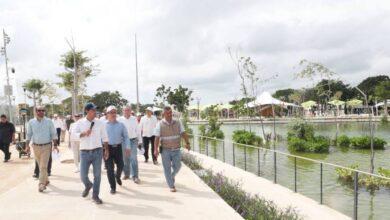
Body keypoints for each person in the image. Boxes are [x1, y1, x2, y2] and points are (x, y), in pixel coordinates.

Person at [73, 103, 108, 204]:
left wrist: (106, 150)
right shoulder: (79, 123)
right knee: (83, 175)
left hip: (98, 151)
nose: (95, 112)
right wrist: (83, 134)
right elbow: (73, 135)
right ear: (87, 111)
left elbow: (105, 136)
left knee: (97, 175)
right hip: (84, 152)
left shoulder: (100, 123)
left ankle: (95, 195)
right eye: (93, 110)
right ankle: (88, 185)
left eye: (95, 110)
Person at [154, 106, 191, 192]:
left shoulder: (178, 122)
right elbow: (157, 137)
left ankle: (172, 175)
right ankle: (171, 185)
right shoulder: (159, 124)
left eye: (171, 113)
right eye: (167, 113)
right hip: (165, 150)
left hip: (176, 149)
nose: (170, 114)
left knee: (178, 166)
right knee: (167, 168)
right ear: (164, 114)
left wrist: (187, 143)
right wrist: (155, 149)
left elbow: (183, 133)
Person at [26, 106, 59, 192]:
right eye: (39, 110)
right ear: (36, 112)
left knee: (43, 166)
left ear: (44, 111)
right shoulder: (31, 122)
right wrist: (27, 145)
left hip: (46, 146)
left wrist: (55, 145)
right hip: (35, 147)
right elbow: (29, 134)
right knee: (41, 166)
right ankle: (46, 180)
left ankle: (41, 183)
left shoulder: (49, 121)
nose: (41, 112)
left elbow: (53, 134)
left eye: (43, 110)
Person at [105, 106, 130, 194]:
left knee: (121, 165)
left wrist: (128, 146)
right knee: (110, 169)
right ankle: (113, 187)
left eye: (115, 112)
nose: (113, 114)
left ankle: (117, 176)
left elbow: (126, 136)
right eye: (111, 112)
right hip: (107, 148)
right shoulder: (103, 125)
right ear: (107, 114)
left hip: (118, 148)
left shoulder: (121, 125)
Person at [119, 106, 142, 183]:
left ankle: (135, 176)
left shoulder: (134, 119)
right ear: (123, 111)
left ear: (130, 111)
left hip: (133, 140)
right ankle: (126, 174)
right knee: (125, 159)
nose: (127, 111)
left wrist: (140, 141)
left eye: (128, 110)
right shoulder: (120, 119)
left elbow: (138, 130)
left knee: (133, 158)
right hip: (123, 141)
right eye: (125, 110)